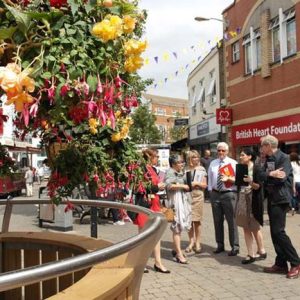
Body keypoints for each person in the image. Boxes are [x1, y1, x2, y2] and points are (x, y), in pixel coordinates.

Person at [260, 135, 300, 279]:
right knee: (273, 232)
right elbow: (260, 175)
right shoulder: (268, 159)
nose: (261, 149)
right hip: (271, 198)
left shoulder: (284, 158)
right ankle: (281, 263)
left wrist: (269, 175)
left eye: (262, 146)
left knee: (279, 232)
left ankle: (296, 262)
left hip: (281, 199)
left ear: (268, 146)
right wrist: (270, 174)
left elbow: (281, 177)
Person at [134, 148, 170, 273]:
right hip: (144, 204)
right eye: (156, 157)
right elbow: (138, 188)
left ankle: (158, 262)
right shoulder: (141, 169)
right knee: (143, 234)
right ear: (149, 157)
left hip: (155, 203)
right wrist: (156, 187)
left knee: (156, 233)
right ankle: (141, 262)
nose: (158, 159)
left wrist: (159, 186)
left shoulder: (154, 169)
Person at [207, 142, 239, 256]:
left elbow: (238, 179)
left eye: (223, 151)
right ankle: (220, 245)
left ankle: (235, 246)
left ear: (227, 151)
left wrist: (229, 179)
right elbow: (210, 178)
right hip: (215, 194)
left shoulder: (233, 163)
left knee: (231, 221)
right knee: (217, 221)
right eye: (219, 150)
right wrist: (210, 191)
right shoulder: (213, 163)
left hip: (228, 194)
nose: (221, 152)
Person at [235, 148, 267, 264]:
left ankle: (262, 251)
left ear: (249, 156)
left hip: (253, 200)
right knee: (245, 226)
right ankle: (250, 254)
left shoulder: (257, 168)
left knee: (254, 227)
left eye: (242, 155)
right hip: (242, 199)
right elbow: (238, 184)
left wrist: (250, 181)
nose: (240, 157)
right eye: (240, 155)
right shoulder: (240, 168)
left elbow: (258, 186)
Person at [165, 154, 191, 264]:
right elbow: (168, 185)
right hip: (173, 205)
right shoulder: (170, 172)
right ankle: (179, 254)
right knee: (176, 228)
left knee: (179, 228)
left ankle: (176, 250)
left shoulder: (182, 172)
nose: (182, 164)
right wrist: (183, 186)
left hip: (181, 203)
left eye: (182, 162)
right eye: (180, 162)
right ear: (174, 164)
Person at [185, 150, 207, 254]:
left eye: (197, 157)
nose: (196, 159)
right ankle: (191, 242)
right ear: (189, 158)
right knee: (189, 221)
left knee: (197, 221)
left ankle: (198, 242)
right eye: (194, 157)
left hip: (198, 195)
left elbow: (205, 185)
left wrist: (195, 183)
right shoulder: (185, 170)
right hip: (187, 196)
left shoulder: (201, 169)